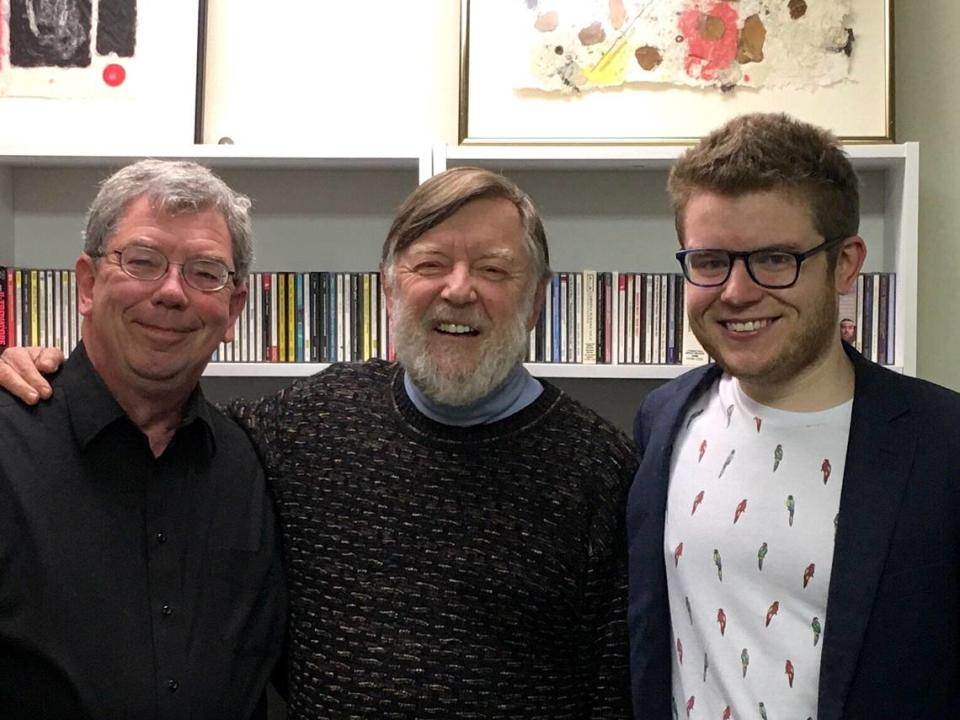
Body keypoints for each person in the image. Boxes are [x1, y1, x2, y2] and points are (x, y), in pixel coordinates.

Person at [1, 166, 636, 718]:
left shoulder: (600, 468)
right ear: (390, 287)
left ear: (534, 305)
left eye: (494, 269)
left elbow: (616, 693)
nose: (459, 289)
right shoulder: (305, 425)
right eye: (431, 264)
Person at [627, 112, 960, 719]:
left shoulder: (943, 444)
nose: (735, 291)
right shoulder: (663, 418)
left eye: (775, 259)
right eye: (709, 261)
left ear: (845, 265)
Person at [0, 160, 286, 719]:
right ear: (86, 284)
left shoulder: (254, 461)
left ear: (234, 310)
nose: (172, 292)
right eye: (143, 261)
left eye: (206, 272)